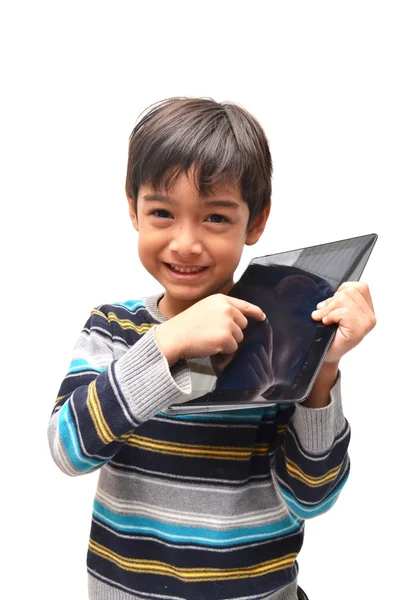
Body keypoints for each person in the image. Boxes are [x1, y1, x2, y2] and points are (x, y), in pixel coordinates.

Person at [47, 97, 376, 600]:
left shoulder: (277, 336)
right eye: (162, 212)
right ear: (133, 208)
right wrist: (164, 344)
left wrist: (323, 370)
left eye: (216, 218)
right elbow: (68, 449)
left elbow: (312, 497)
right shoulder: (113, 328)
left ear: (256, 221)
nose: (185, 242)